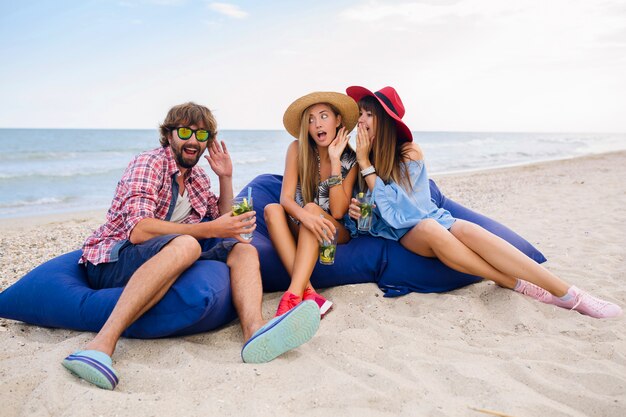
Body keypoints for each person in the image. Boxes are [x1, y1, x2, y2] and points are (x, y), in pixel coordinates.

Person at [62, 102, 320, 390]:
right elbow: (139, 230)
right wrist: (207, 230)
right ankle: (100, 345)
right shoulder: (150, 163)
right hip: (113, 258)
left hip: (168, 253)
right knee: (188, 244)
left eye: (202, 135)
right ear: (169, 134)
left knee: (244, 249)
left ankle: (255, 331)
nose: (193, 141)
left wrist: (225, 178)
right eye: (185, 132)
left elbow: (222, 218)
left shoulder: (197, 178)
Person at [345, 86, 622, 319]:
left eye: (369, 114)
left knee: (465, 229)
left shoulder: (409, 152)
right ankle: (512, 282)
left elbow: (410, 208)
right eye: (360, 114)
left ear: (386, 120)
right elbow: (394, 218)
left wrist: (367, 167)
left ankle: (569, 293)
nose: (361, 120)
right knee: (430, 228)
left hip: (429, 218)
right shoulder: (364, 161)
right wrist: (359, 204)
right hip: (408, 232)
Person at [264, 92, 359, 317]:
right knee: (272, 210)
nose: (317, 124)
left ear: (338, 121)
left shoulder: (350, 161)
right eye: (311, 120)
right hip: (304, 226)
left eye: (324, 116)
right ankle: (309, 293)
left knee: (312, 209)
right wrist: (305, 217)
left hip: (335, 231)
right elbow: (285, 198)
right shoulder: (297, 149)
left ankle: (292, 296)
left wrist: (336, 161)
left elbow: (337, 211)